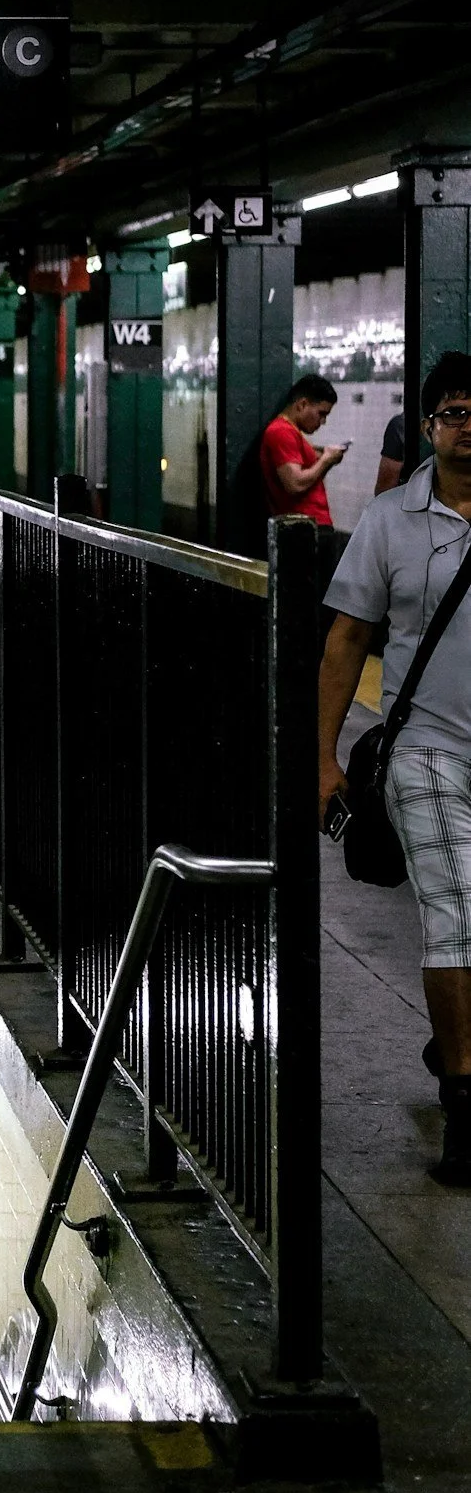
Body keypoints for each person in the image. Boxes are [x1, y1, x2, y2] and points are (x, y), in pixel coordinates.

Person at [320, 352, 471, 1188]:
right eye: (452, 412)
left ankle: (456, 1037)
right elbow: (345, 641)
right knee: (454, 913)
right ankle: (464, 1102)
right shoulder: (386, 520)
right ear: (425, 427)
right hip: (425, 747)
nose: (466, 426)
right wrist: (320, 759)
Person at [261, 372, 346, 609]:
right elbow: (295, 482)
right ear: (302, 404)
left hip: (311, 529)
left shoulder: (291, 433)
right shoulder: (281, 432)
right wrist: (326, 460)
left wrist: (321, 457)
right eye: (321, 414)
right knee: (315, 606)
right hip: (307, 531)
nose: (322, 422)